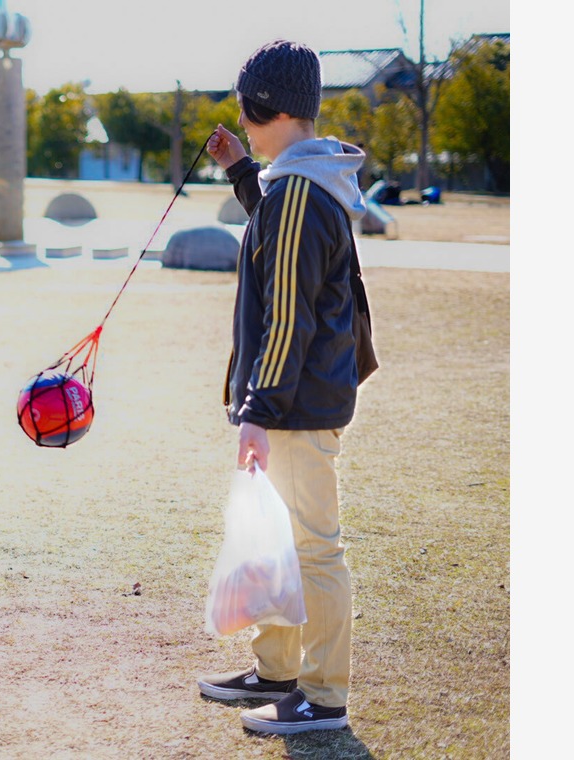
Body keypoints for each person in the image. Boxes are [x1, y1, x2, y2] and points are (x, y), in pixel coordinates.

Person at [195, 40, 367, 734]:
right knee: (275, 541)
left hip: (294, 404)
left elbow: (288, 313)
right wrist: (241, 171)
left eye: (246, 109)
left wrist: (258, 410)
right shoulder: (298, 182)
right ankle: (277, 673)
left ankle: (322, 698)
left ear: (266, 107)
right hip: (295, 399)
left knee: (313, 549)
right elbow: (277, 232)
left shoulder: (297, 189)